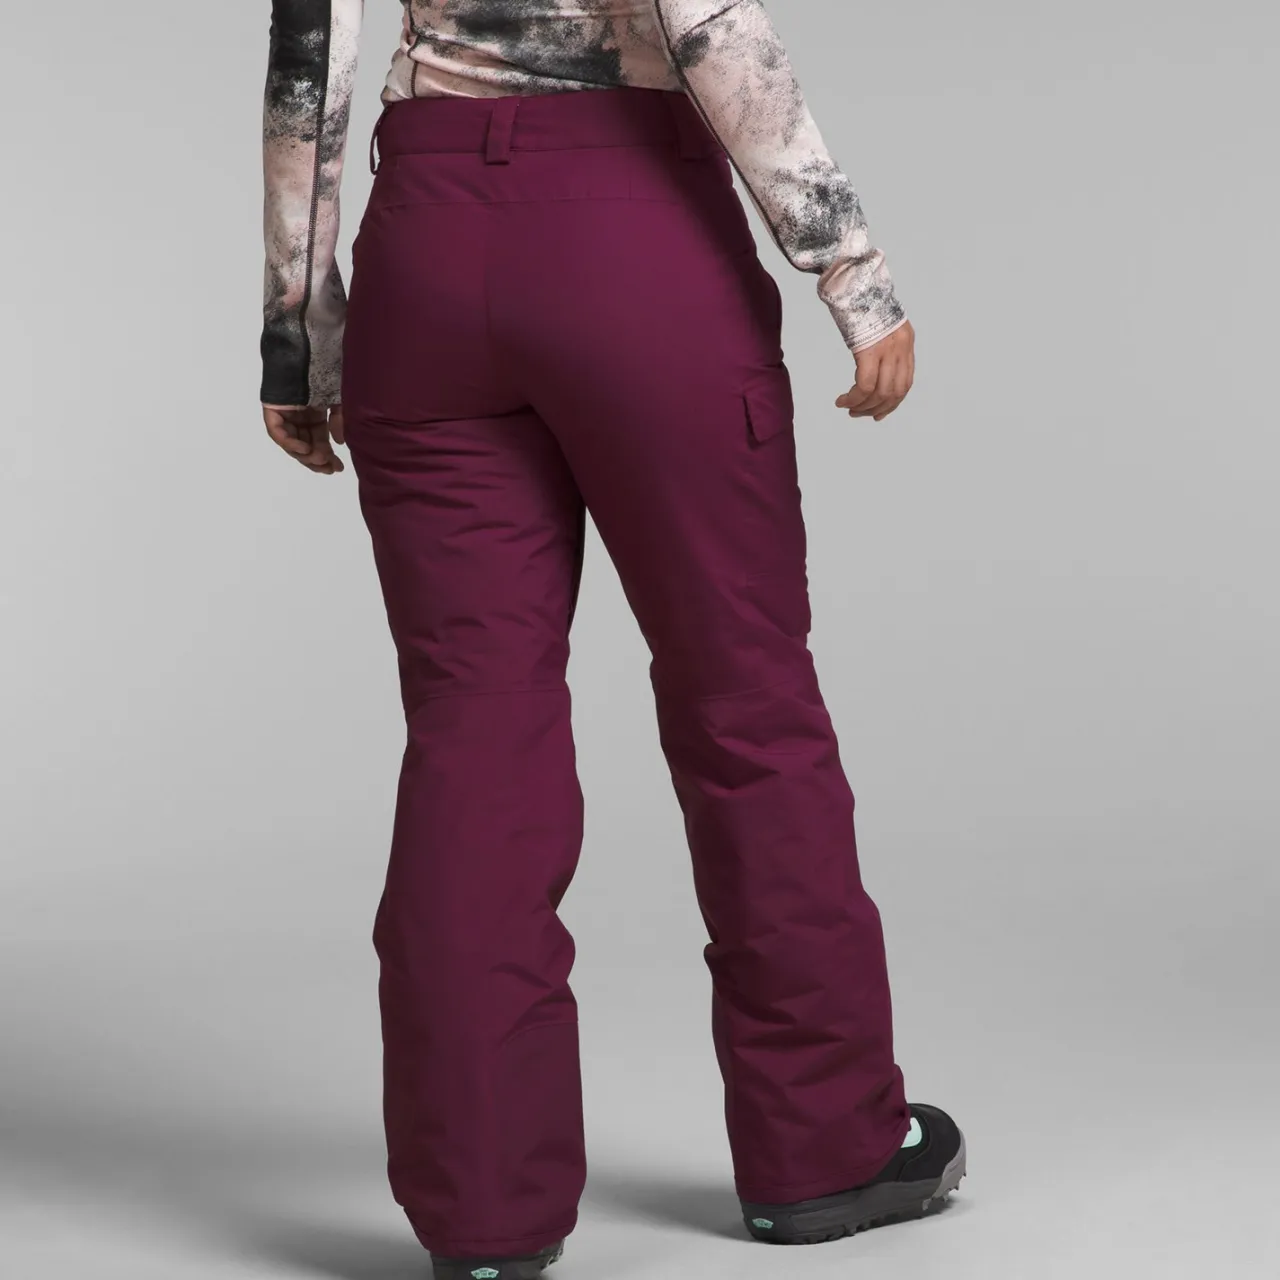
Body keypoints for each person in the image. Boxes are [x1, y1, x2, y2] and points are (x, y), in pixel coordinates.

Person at [258, 4, 965, 1277]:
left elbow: (313, 52)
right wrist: (848, 266)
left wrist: (298, 331)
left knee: (473, 732)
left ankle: (483, 1216)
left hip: (428, 251)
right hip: (632, 230)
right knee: (744, 699)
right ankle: (823, 1150)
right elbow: (706, 22)